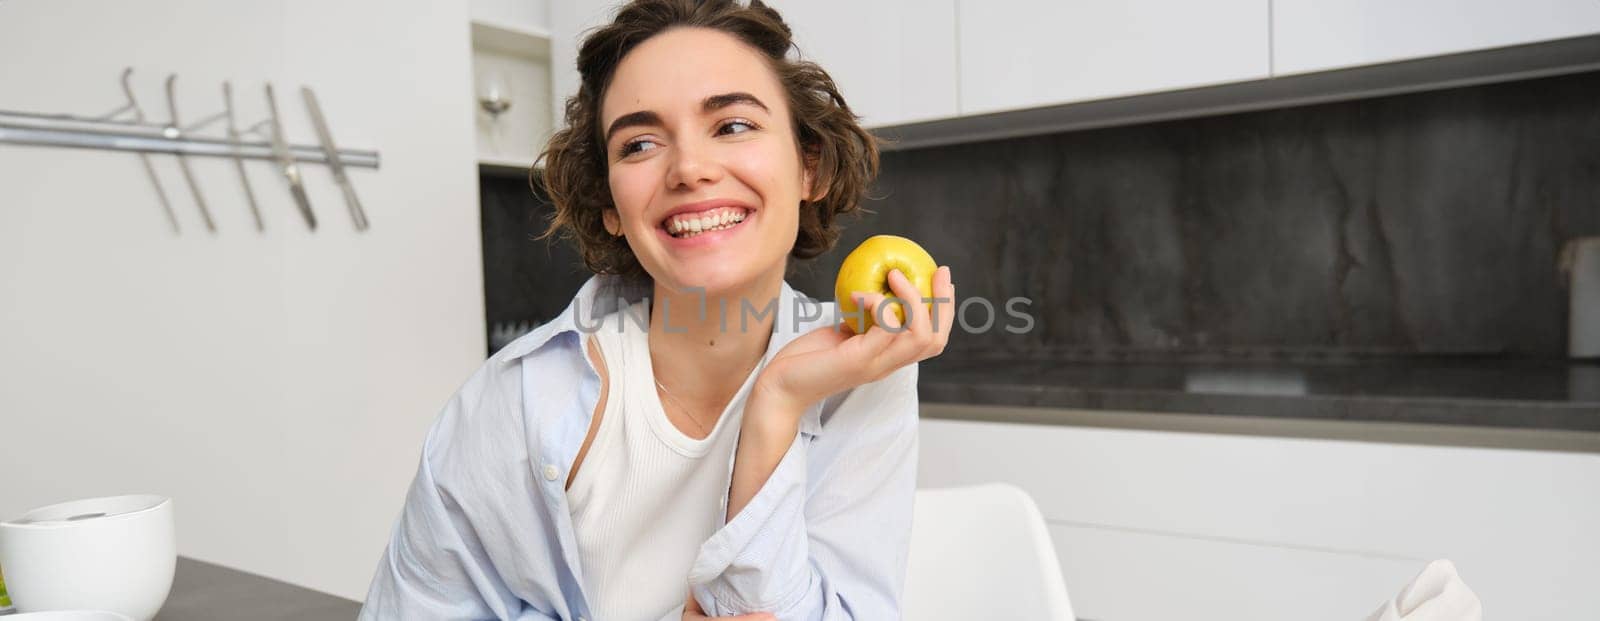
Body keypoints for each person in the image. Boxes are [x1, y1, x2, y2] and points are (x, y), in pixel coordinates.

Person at [359, 1, 955, 619]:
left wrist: (776, 405)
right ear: (610, 204)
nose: (690, 169)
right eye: (639, 144)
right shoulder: (515, 402)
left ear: (811, 166)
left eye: (732, 126)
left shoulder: (859, 374)